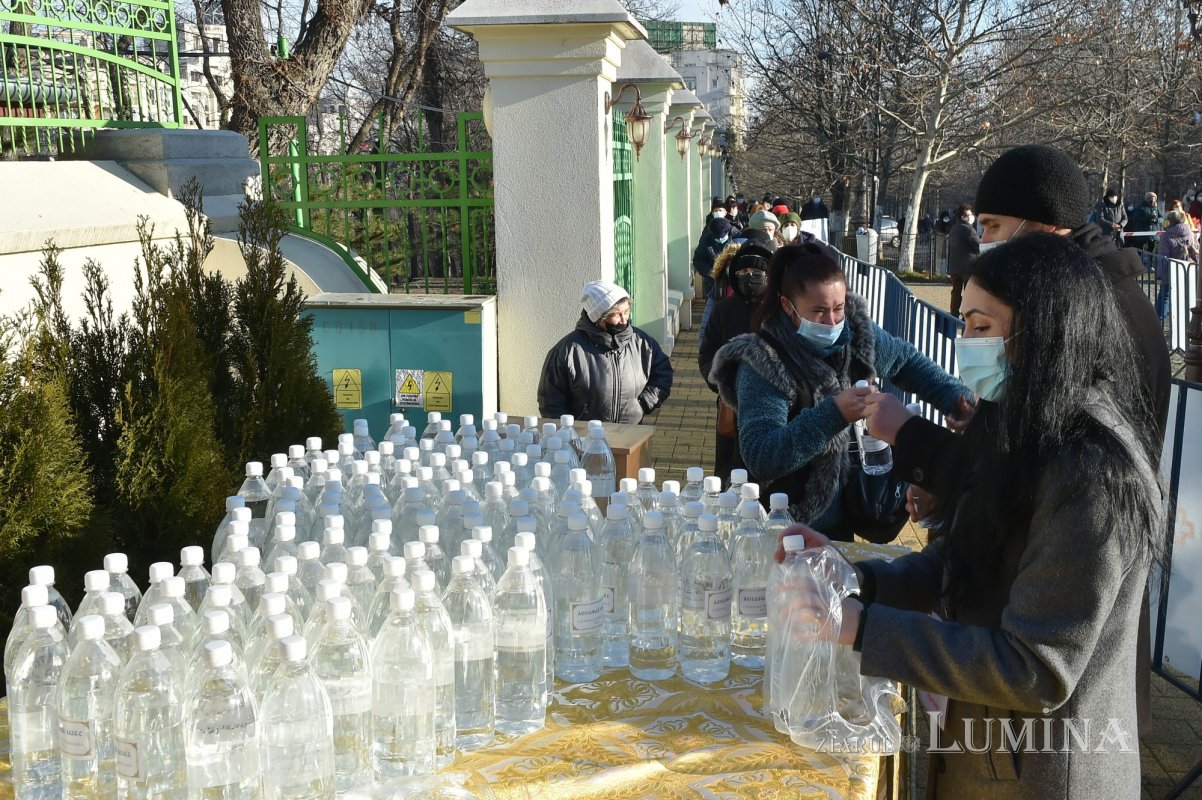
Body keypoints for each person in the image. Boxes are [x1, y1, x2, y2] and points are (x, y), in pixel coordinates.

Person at [797, 232, 1163, 799]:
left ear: (1043, 330)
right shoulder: (1023, 416)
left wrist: (863, 628)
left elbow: (1035, 669)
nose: (965, 344)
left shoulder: (1090, 470)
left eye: (981, 326)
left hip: (1041, 773)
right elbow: (962, 557)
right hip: (982, 751)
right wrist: (854, 579)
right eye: (964, 324)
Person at [708, 243, 968, 535]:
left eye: (838, 308)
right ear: (788, 306)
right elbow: (762, 456)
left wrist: (956, 401)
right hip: (777, 524)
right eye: (819, 311)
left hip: (842, 517)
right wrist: (834, 414)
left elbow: (905, 361)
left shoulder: (855, 335)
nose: (832, 322)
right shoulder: (762, 362)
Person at [537, 280, 672, 424]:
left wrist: (644, 403)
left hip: (631, 432)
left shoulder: (643, 342)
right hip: (585, 435)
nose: (624, 320)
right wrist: (568, 431)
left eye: (626, 312)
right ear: (598, 318)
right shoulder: (567, 351)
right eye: (616, 315)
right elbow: (550, 402)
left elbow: (663, 373)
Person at [699, 238, 777, 483]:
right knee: (731, 473)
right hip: (732, 405)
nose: (749, 277)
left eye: (757, 271)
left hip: (774, 406)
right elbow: (707, 353)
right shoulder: (724, 310)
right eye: (743, 272)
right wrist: (722, 384)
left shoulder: (782, 310)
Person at [1156, 209, 1198, 321]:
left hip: (1170, 271)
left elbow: (1163, 258)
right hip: (1187, 269)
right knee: (1185, 297)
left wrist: (1160, 276)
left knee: (1164, 297)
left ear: (1170, 220)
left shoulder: (1166, 236)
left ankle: (1158, 322)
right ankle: (1184, 321)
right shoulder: (1190, 233)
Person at [946, 203, 979, 317]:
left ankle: (954, 314)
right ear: (963, 217)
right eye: (969, 215)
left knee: (955, 292)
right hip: (968, 267)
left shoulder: (954, 228)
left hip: (955, 267)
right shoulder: (968, 229)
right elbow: (977, 246)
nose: (971, 217)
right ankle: (966, 316)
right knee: (968, 293)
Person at [693, 216, 733, 302]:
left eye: (722, 237)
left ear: (728, 231)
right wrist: (712, 272)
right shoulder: (706, 240)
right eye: (717, 238)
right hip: (712, 283)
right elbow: (698, 260)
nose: (720, 239)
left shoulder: (736, 238)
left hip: (732, 283)